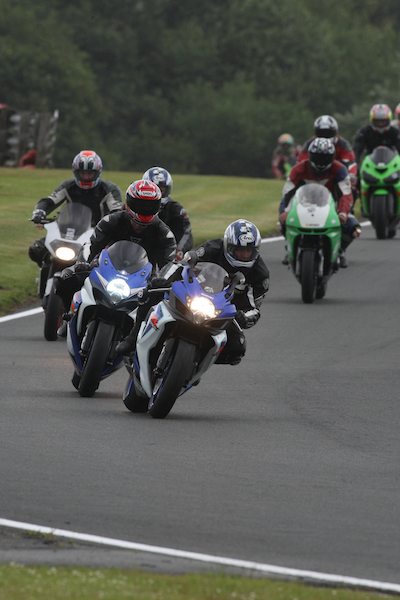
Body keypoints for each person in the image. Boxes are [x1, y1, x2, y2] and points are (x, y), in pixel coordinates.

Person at [117, 219, 270, 365]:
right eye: (239, 250)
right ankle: (133, 337)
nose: (243, 255)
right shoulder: (213, 247)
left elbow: (255, 308)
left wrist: (244, 317)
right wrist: (164, 279)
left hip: (225, 310)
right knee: (154, 290)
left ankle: (197, 363)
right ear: (228, 246)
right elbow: (184, 263)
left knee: (237, 348)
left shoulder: (260, 274)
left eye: (248, 251)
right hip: (196, 293)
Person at [56, 179, 177, 332]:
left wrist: (162, 280)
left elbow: (169, 264)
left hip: (143, 279)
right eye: (140, 205)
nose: (145, 210)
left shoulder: (165, 234)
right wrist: (82, 262)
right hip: (106, 268)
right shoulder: (111, 221)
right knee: (66, 277)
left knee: (161, 300)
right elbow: (91, 245)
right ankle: (70, 316)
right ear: (129, 203)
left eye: (150, 206)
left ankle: (136, 335)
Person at [28, 150, 123, 269]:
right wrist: (39, 212)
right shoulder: (68, 186)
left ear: (97, 172)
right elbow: (50, 201)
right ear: (76, 172)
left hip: (95, 233)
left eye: (90, 173)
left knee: (100, 261)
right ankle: (45, 269)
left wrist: (112, 224)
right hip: (66, 230)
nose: (86, 177)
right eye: (82, 173)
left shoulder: (109, 189)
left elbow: (117, 211)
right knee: (36, 250)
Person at [279, 138, 360, 268]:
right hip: (303, 205)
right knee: (283, 222)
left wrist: (343, 212)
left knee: (353, 227)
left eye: (325, 158)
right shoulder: (298, 169)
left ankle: (339, 250)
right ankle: (291, 247)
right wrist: (284, 211)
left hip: (332, 207)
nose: (321, 161)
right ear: (310, 156)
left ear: (332, 157)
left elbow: (346, 193)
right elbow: (287, 193)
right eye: (317, 157)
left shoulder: (339, 169)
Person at [297, 115, 358, 197]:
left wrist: (351, 175)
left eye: (328, 133)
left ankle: (346, 204)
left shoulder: (343, 145)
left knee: (351, 188)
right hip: (315, 175)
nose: (325, 136)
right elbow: (301, 161)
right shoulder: (309, 144)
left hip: (336, 175)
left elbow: (351, 162)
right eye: (321, 133)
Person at [142, 166, 193, 260]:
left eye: (161, 190)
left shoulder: (176, 209)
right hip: (138, 253)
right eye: (154, 189)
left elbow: (186, 232)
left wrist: (179, 250)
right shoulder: (135, 205)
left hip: (166, 255)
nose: (158, 193)